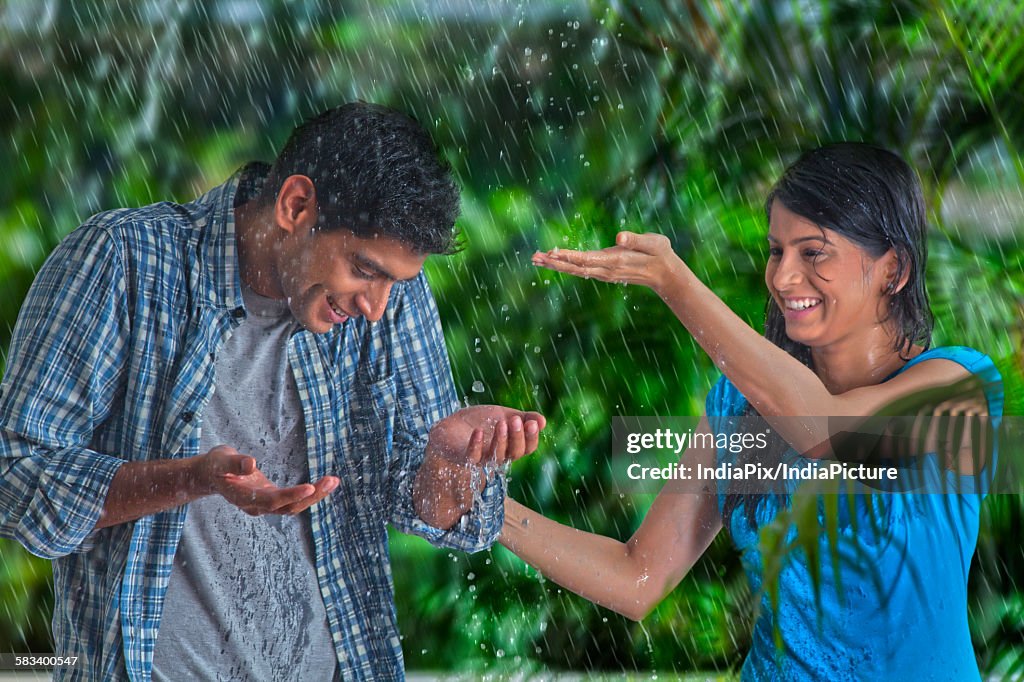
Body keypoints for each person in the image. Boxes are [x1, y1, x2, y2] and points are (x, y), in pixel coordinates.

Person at [0, 102, 544, 681]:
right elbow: (13, 477)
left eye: (393, 282)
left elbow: (435, 512)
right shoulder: (122, 262)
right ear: (295, 206)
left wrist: (451, 461)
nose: (375, 306)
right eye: (363, 269)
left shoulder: (391, 304)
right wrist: (192, 479)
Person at [500, 143, 1002, 680]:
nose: (783, 278)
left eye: (813, 254)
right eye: (775, 251)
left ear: (893, 269)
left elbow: (826, 433)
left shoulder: (958, 388)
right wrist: (486, 510)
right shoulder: (742, 406)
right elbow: (639, 577)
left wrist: (675, 282)